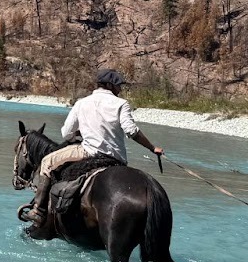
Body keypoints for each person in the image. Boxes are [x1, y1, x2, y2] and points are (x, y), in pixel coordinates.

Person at [25, 68, 163, 230]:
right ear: (110, 86)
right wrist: (152, 148)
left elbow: (65, 133)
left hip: (88, 151)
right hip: (116, 157)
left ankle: (39, 211)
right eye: (118, 86)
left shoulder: (82, 103)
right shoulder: (121, 104)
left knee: (47, 161)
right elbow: (131, 131)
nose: (120, 89)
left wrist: (76, 135)